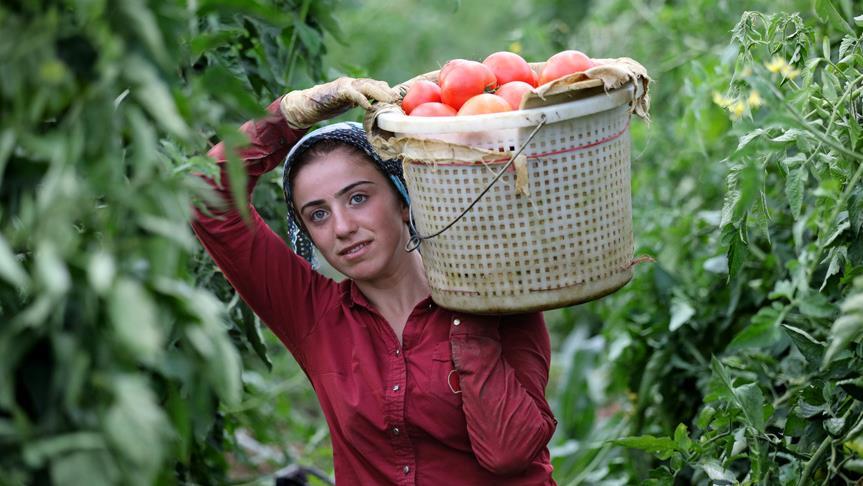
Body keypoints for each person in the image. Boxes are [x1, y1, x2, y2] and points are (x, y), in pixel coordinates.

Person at [191, 76, 558, 485]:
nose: (343, 227)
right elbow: (205, 195)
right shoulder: (313, 314)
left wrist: (470, 319)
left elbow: (509, 452)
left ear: (403, 200)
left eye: (358, 198)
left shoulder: (500, 290)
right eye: (318, 214)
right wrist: (292, 113)